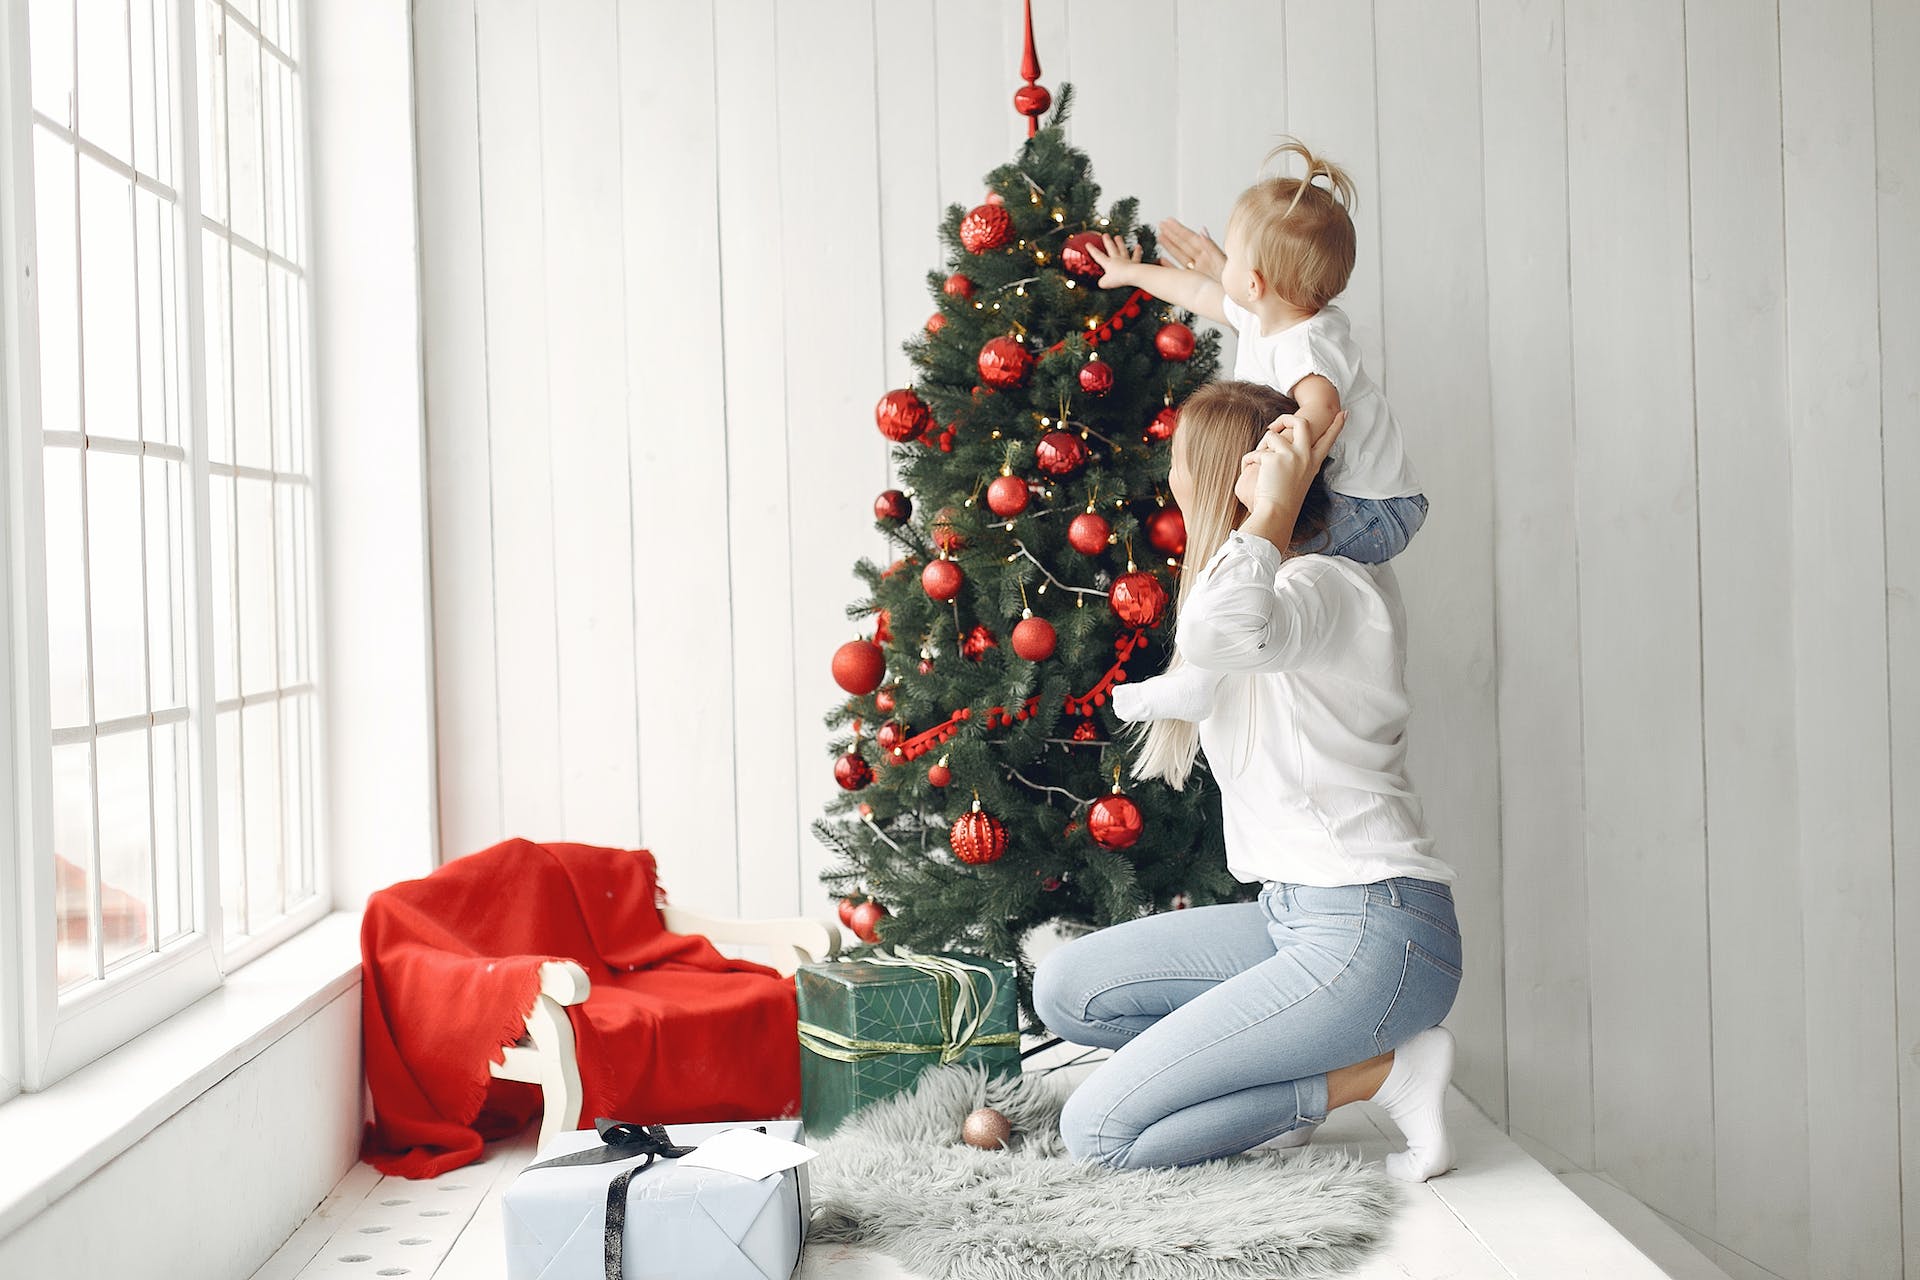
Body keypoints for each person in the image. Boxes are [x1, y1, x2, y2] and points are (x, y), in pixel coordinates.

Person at [1031, 380, 1462, 1181]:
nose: (1169, 480)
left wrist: (1268, 511)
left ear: (1220, 472)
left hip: (1376, 931)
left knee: (1101, 1134)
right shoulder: (1267, 587)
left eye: (1177, 461)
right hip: (1292, 918)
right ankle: (1277, 1072)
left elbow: (1225, 630)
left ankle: (1377, 1074)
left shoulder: (1322, 587)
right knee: (1068, 992)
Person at [1085, 139, 1427, 564]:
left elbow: (1322, 406)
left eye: (1231, 260)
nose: (1219, 266)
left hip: (1372, 508)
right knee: (1252, 547)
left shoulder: (1308, 345)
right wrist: (1131, 272)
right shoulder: (1262, 315)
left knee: (1257, 559)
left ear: (1253, 284)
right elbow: (1194, 289)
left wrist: (1267, 452)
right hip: (1352, 499)